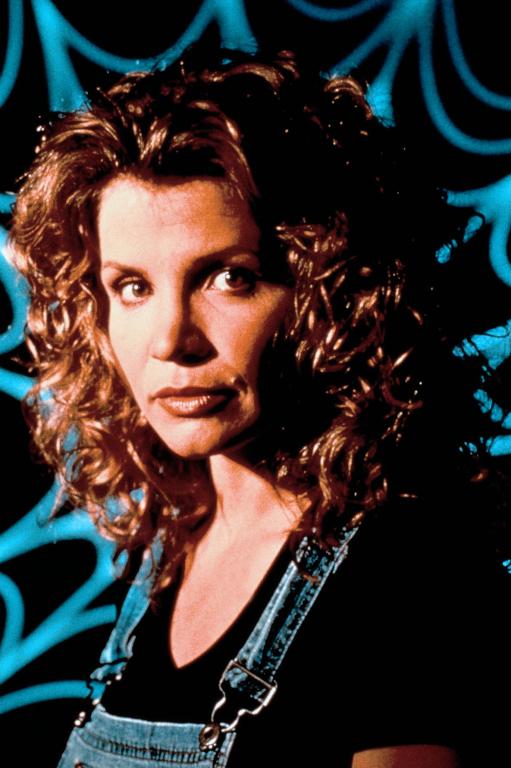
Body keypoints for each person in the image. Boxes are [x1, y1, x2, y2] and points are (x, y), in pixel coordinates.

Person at [9, 43, 510, 767]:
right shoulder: (168, 548)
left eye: (229, 278)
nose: (171, 341)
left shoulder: (405, 575)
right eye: (132, 287)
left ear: (330, 293)